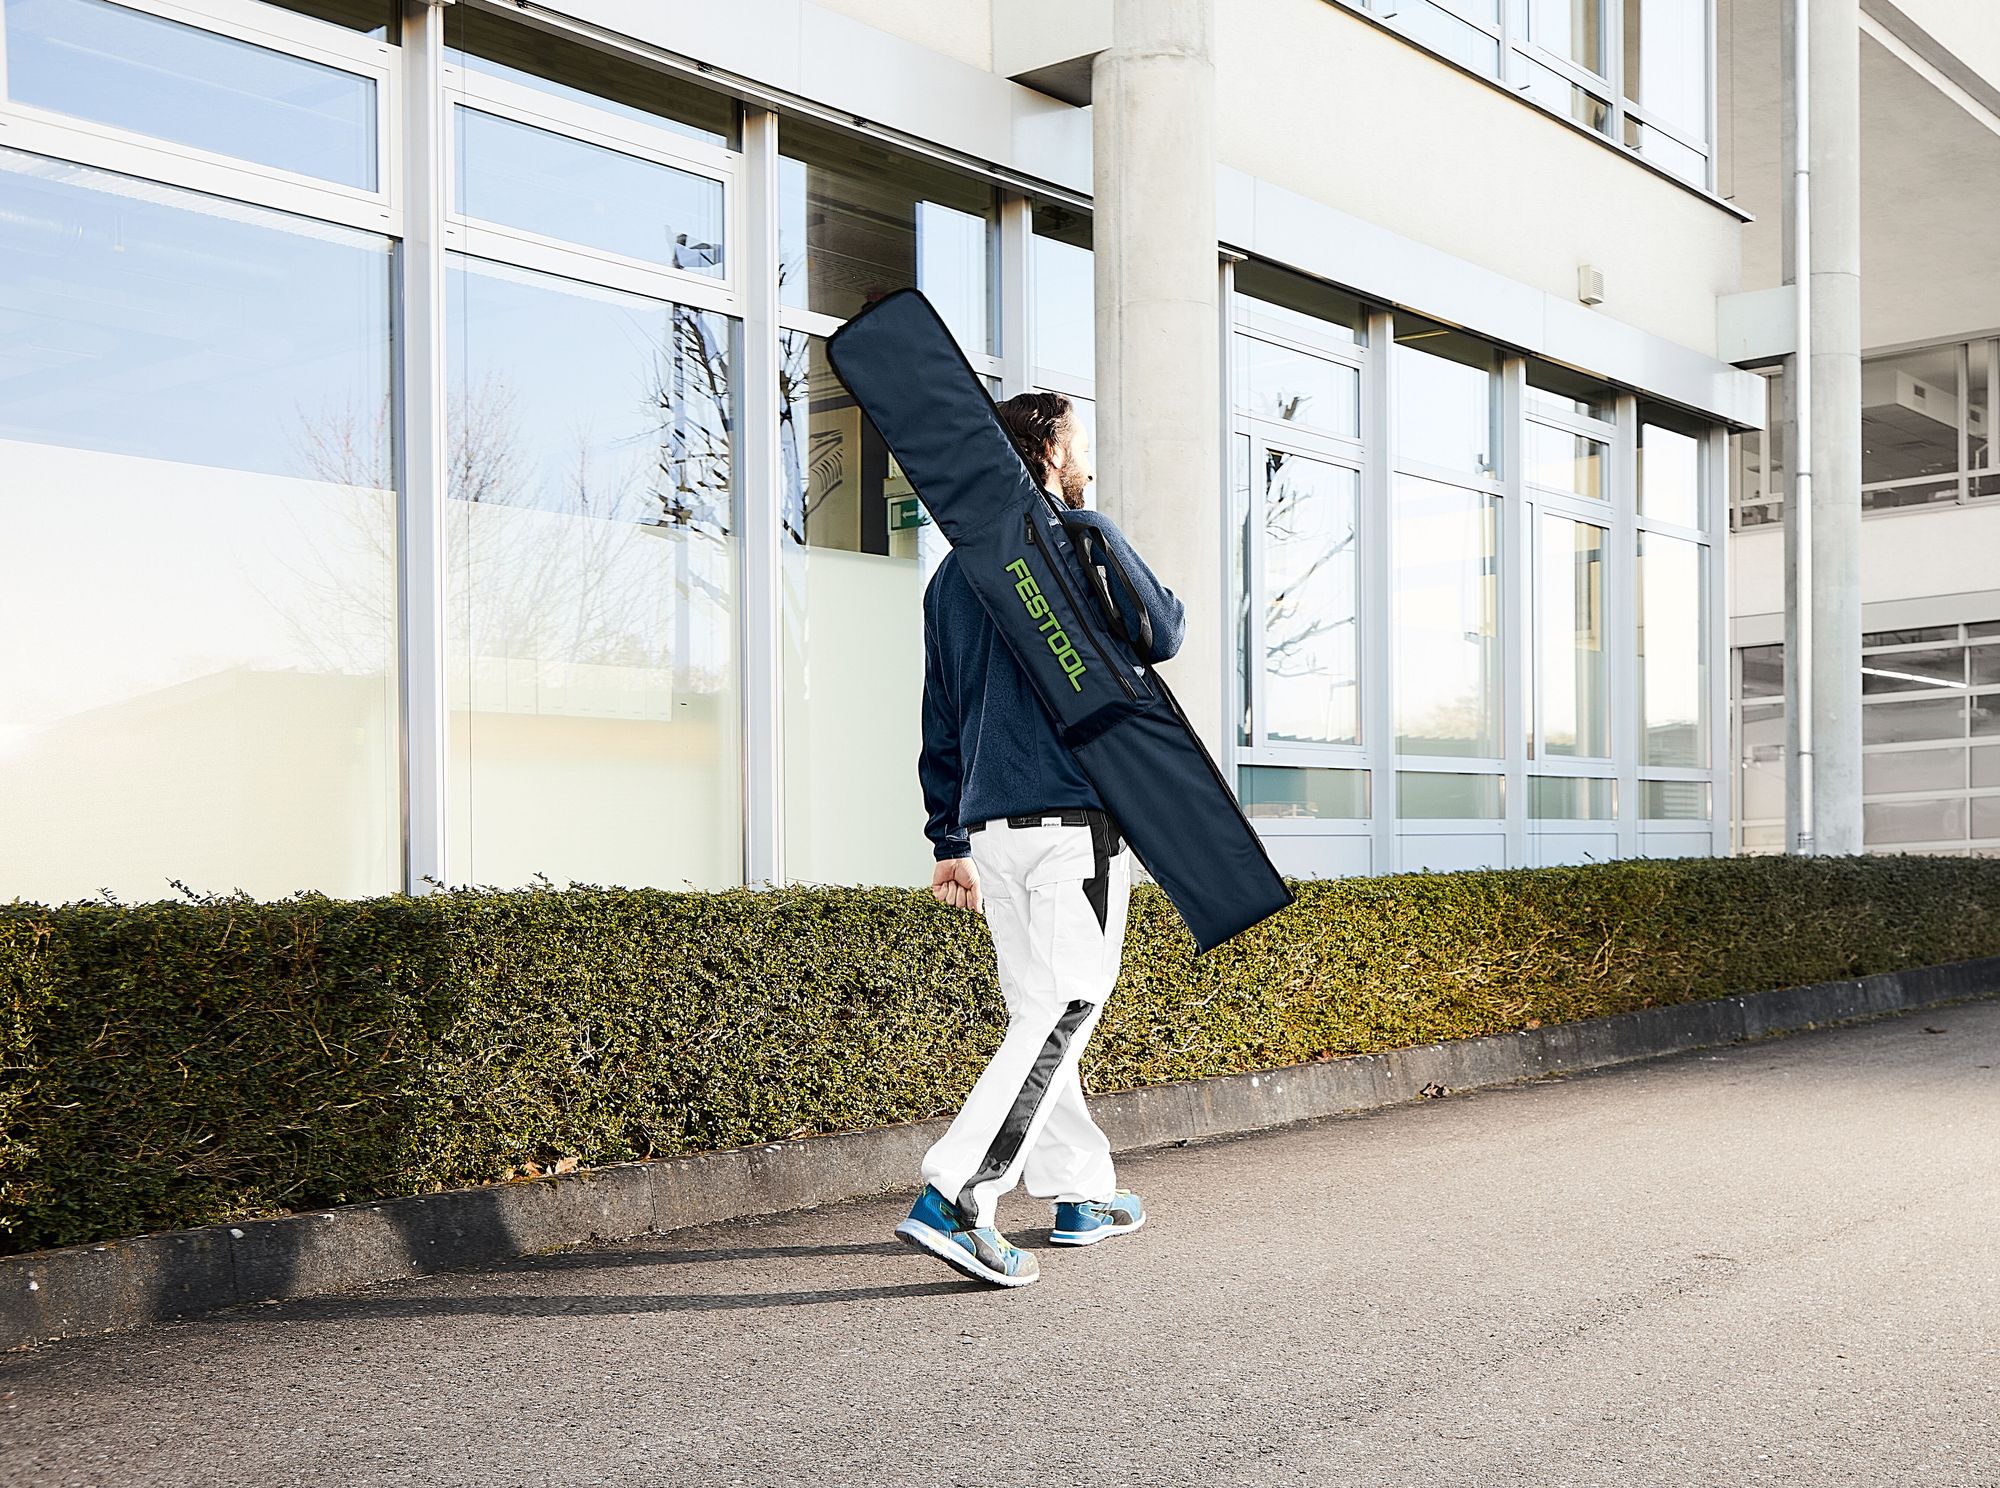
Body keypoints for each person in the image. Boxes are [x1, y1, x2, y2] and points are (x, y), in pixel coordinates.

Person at [894, 391, 1188, 1289]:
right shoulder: (1075, 544)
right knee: (1065, 1006)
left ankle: (1080, 1192)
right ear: (1050, 451)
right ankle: (957, 1197)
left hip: (993, 833)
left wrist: (948, 837)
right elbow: (1164, 630)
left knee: (1042, 1012)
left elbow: (941, 715)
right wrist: (1092, 526)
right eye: (1079, 439)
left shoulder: (954, 574)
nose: (1088, 455)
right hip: (1072, 828)